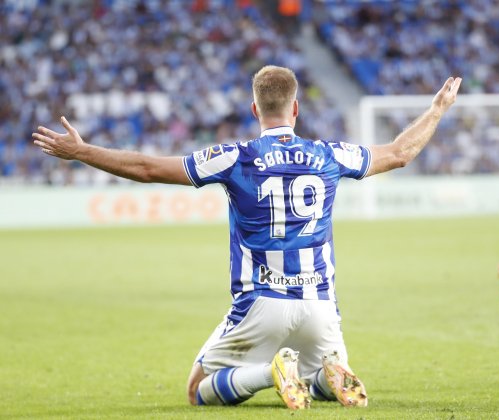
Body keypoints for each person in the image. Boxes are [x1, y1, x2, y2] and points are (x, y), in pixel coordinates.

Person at [33, 65, 462, 409]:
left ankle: (268, 372)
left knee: (197, 389)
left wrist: (82, 151)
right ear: (296, 110)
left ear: (255, 111)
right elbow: (400, 153)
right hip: (320, 307)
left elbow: (147, 169)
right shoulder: (330, 154)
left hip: (260, 301)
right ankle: (326, 378)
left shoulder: (234, 157)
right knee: (320, 370)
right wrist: (438, 108)